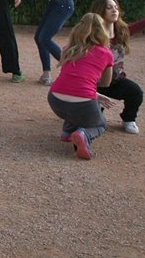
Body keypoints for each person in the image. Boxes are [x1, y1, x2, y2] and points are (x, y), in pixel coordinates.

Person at [90, 0, 145, 134]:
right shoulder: (91, 36)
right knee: (93, 119)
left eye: (116, 7)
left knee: (135, 92)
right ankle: (90, 112)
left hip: (116, 80)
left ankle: (128, 119)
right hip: (94, 84)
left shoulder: (123, 32)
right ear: (100, 11)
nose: (114, 10)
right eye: (109, 7)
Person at [47, 13, 116, 160]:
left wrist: (93, 93)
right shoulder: (106, 53)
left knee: (73, 108)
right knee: (101, 124)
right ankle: (84, 134)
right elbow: (105, 83)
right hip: (82, 104)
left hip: (55, 99)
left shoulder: (67, 49)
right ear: (102, 31)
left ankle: (67, 132)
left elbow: (71, 81)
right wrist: (93, 91)